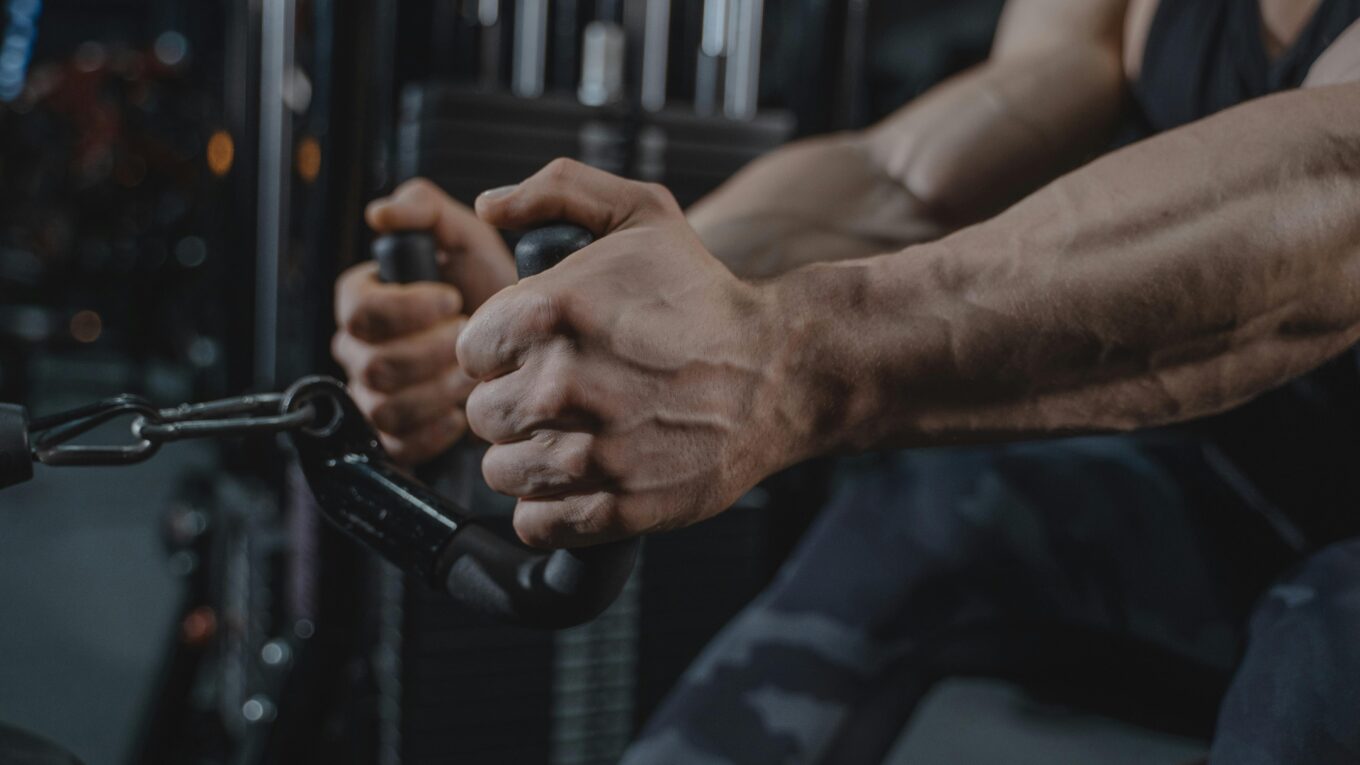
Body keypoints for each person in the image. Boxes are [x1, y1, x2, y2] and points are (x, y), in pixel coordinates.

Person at [333, 0, 1360, 761]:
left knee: (1319, 659)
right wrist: (573, 316)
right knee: (914, 520)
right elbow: (905, 178)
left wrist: (789, 360)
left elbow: (1335, 188)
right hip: (1240, 488)